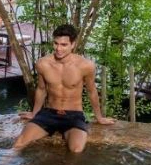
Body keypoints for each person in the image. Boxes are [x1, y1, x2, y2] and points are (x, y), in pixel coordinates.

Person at [14, 24, 115, 153]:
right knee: (19, 143)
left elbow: (92, 91)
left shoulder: (85, 66)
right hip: (49, 113)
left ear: (73, 44)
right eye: (56, 44)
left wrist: (99, 117)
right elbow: (41, 89)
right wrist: (34, 113)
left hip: (74, 116)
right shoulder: (43, 64)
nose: (58, 49)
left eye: (64, 45)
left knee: (76, 150)